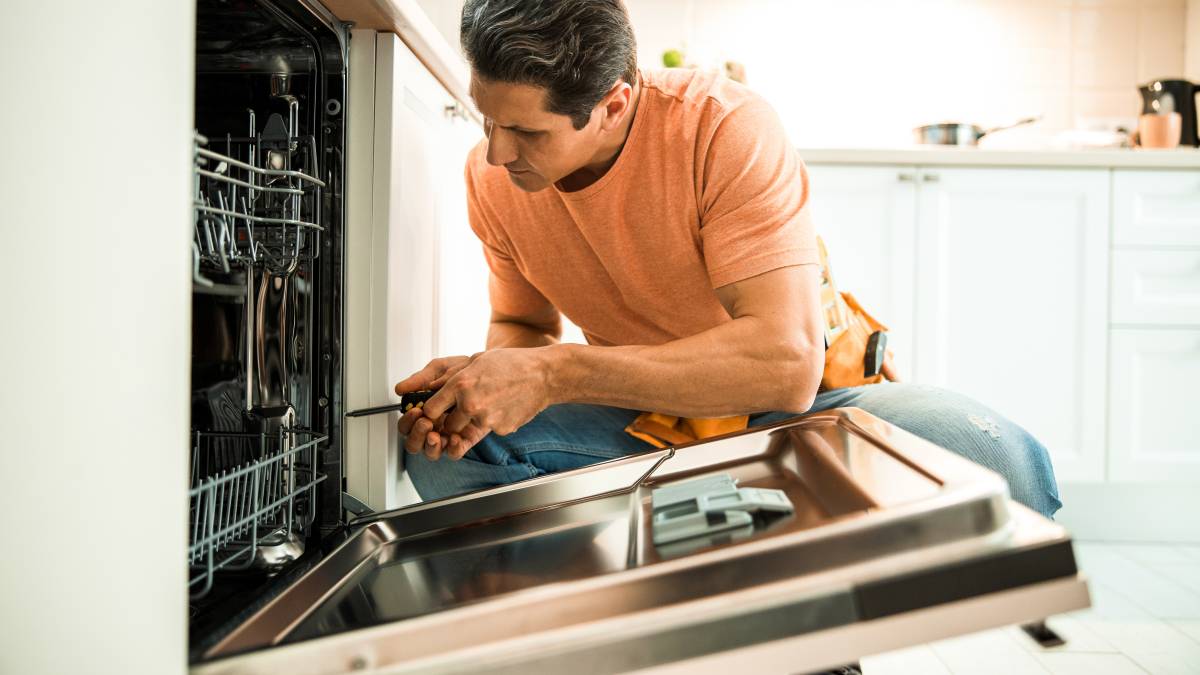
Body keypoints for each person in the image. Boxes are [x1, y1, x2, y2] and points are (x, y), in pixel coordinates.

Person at [394, 0, 1060, 520]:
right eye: (488, 121)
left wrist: (552, 374)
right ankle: (604, 622)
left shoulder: (720, 126)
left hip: (796, 417)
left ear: (614, 105)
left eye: (526, 132)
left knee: (998, 457)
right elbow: (523, 324)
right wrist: (494, 385)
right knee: (446, 454)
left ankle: (807, 616)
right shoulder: (494, 182)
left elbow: (785, 365)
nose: (495, 155)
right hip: (644, 420)